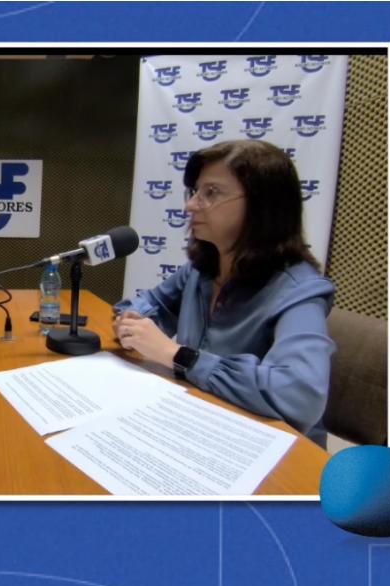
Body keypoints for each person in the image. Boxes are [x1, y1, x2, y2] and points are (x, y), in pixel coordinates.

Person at [113, 140, 335, 446]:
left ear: (261, 204)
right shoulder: (201, 268)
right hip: (199, 421)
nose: (191, 206)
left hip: (268, 448)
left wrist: (178, 355)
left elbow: (299, 395)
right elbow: (152, 304)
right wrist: (132, 322)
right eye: (195, 192)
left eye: (211, 193)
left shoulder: (300, 290)